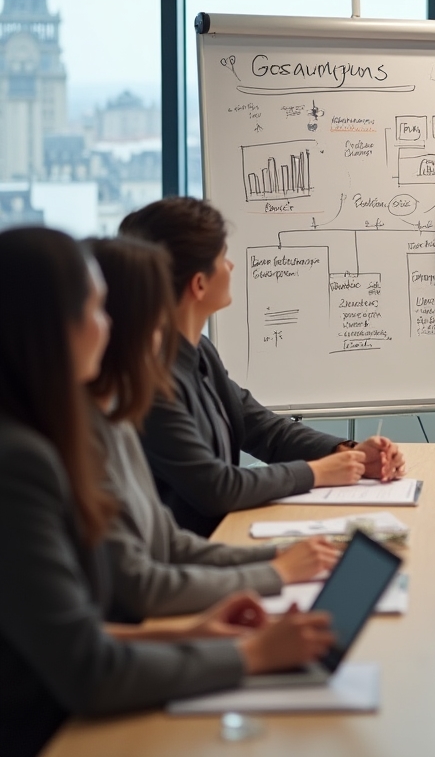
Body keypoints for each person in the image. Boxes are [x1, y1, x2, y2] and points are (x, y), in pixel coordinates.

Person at [0, 227, 335, 757]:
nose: (108, 327)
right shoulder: (23, 460)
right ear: (47, 329)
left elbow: (78, 633)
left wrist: (192, 636)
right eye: (96, 309)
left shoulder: (82, 423)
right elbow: (87, 666)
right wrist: (251, 654)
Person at [87, 236, 339, 621]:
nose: (164, 324)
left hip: (184, 588)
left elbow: (167, 542)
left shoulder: (119, 416)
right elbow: (139, 587)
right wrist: (276, 571)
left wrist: (283, 555)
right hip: (161, 612)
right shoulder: (100, 423)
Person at [120, 197, 406, 536]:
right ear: (198, 284)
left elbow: (263, 429)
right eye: (222, 257)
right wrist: (319, 472)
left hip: (222, 540)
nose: (231, 266)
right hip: (192, 559)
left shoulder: (199, 352)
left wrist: (350, 453)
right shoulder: (151, 379)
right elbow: (217, 487)